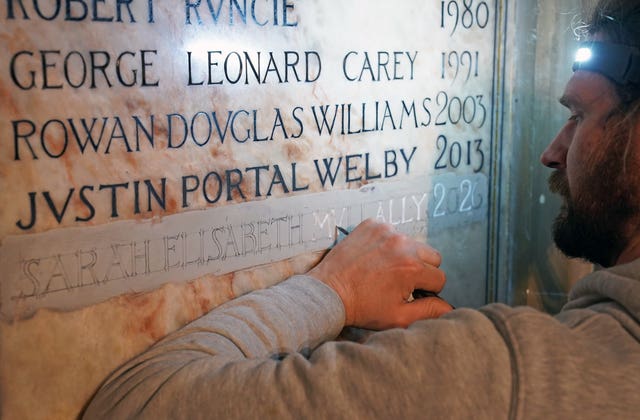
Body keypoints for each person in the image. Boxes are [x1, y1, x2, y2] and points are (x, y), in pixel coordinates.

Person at [84, 1, 640, 418]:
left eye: (579, 116)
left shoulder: (513, 375)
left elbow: (136, 402)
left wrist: (333, 291)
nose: (552, 152)